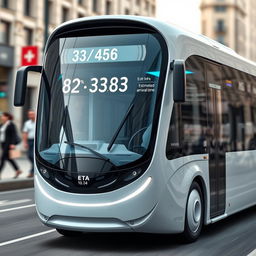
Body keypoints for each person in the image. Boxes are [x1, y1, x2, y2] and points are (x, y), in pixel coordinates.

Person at [0, 112, 22, 179]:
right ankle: (18, 170)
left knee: (3, 158)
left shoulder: (11, 124)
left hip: (8, 143)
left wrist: (12, 144)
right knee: (9, 158)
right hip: (3, 143)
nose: (2, 117)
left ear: (7, 117)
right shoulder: (2, 125)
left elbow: (14, 134)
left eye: (3, 116)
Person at [23, 110, 36, 178]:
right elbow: (25, 133)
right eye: (29, 114)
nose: (30, 116)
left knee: (33, 156)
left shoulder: (38, 122)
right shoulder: (27, 123)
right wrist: (25, 142)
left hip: (36, 141)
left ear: (35, 115)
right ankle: (33, 169)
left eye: (32, 114)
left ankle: (31, 172)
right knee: (29, 156)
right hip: (30, 140)